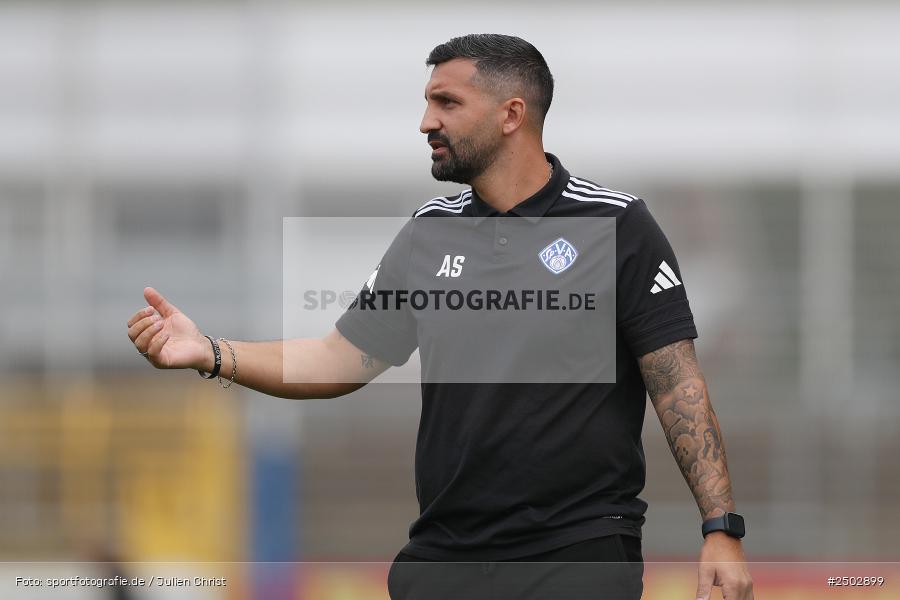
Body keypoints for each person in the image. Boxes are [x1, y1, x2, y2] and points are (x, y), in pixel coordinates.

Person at [127, 34, 753, 600]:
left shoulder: (616, 225)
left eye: (447, 103)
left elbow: (677, 384)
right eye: (428, 103)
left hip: (576, 551)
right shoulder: (430, 232)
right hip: (445, 554)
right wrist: (209, 351)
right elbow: (339, 357)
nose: (427, 121)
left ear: (513, 114)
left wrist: (720, 529)